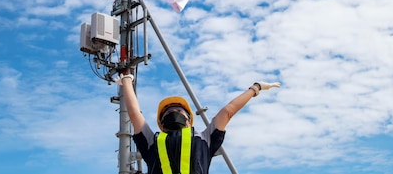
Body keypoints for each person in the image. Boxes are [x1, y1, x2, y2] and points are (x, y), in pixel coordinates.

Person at [117, 72, 280, 174]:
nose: (174, 113)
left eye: (179, 111)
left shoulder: (202, 139)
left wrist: (255, 87)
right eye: (169, 112)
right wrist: (127, 80)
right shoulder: (157, 141)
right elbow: (133, 112)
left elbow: (228, 111)